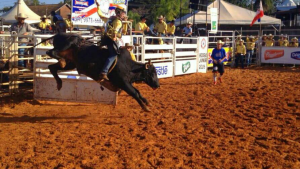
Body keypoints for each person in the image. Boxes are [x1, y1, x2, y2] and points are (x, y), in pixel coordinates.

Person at [96, 2, 126, 80]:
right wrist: (115, 36)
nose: (124, 14)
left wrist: (98, 7)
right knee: (113, 54)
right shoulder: (118, 21)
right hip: (111, 40)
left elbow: (100, 15)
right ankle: (104, 72)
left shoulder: (110, 19)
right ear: (119, 12)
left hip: (105, 39)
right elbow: (115, 31)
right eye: (123, 13)